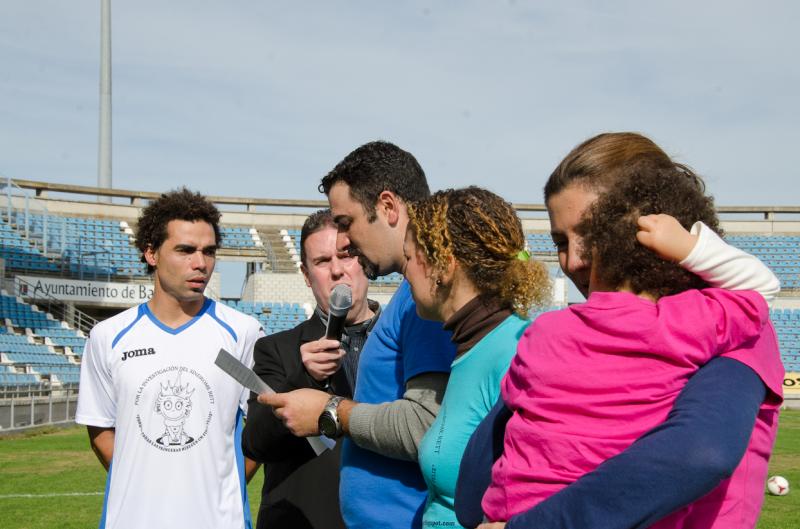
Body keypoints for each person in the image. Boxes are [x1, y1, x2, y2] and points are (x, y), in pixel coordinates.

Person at [455, 132, 784, 529]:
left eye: (592, 237)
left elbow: (700, 452)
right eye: (560, 241)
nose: (575, 260)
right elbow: (481, 470)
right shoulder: (577, 332)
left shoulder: (737, 325)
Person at [261, 141, 457, 529]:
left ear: (388, 207)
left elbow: (428, 426)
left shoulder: (427, 296)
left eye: (347, 223)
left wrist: (328, 412)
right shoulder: (412, 294)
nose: (344, 241)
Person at [75, 188, 265, 529]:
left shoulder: (241, 334)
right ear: (151, 253)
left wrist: (224, 486)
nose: (200, 263)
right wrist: (148, 489)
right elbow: (101, 430)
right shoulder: (109, 337)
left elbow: (261, 427)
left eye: (209, 252)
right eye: (185, 250)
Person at [402, 187, 550, 528]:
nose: (404, 271)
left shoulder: (515, 351)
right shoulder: (470, 346)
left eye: (410, 258)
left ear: (444, 265)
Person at [241, 209, 380, 529]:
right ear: (306, 275)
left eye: (346, 256)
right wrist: (304, 379)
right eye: (321, 262)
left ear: (365, 261)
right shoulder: (276, 349)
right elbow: (255, 442)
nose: (336, 270)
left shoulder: (403, 342)